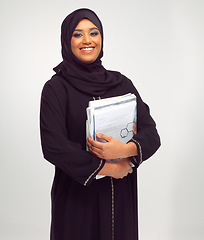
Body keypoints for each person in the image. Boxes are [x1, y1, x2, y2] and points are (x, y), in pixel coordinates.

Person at [40, 8, 160, 240]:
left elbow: (151, 134)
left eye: (93, 33)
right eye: (78, 34)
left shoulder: (122, 84)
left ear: (101, 38)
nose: (87, 40)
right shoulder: (56, 88)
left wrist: (126, 150)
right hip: (77, 198)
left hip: (119, 195)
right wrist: (108, 168)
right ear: (67, 39)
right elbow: (53, 146)